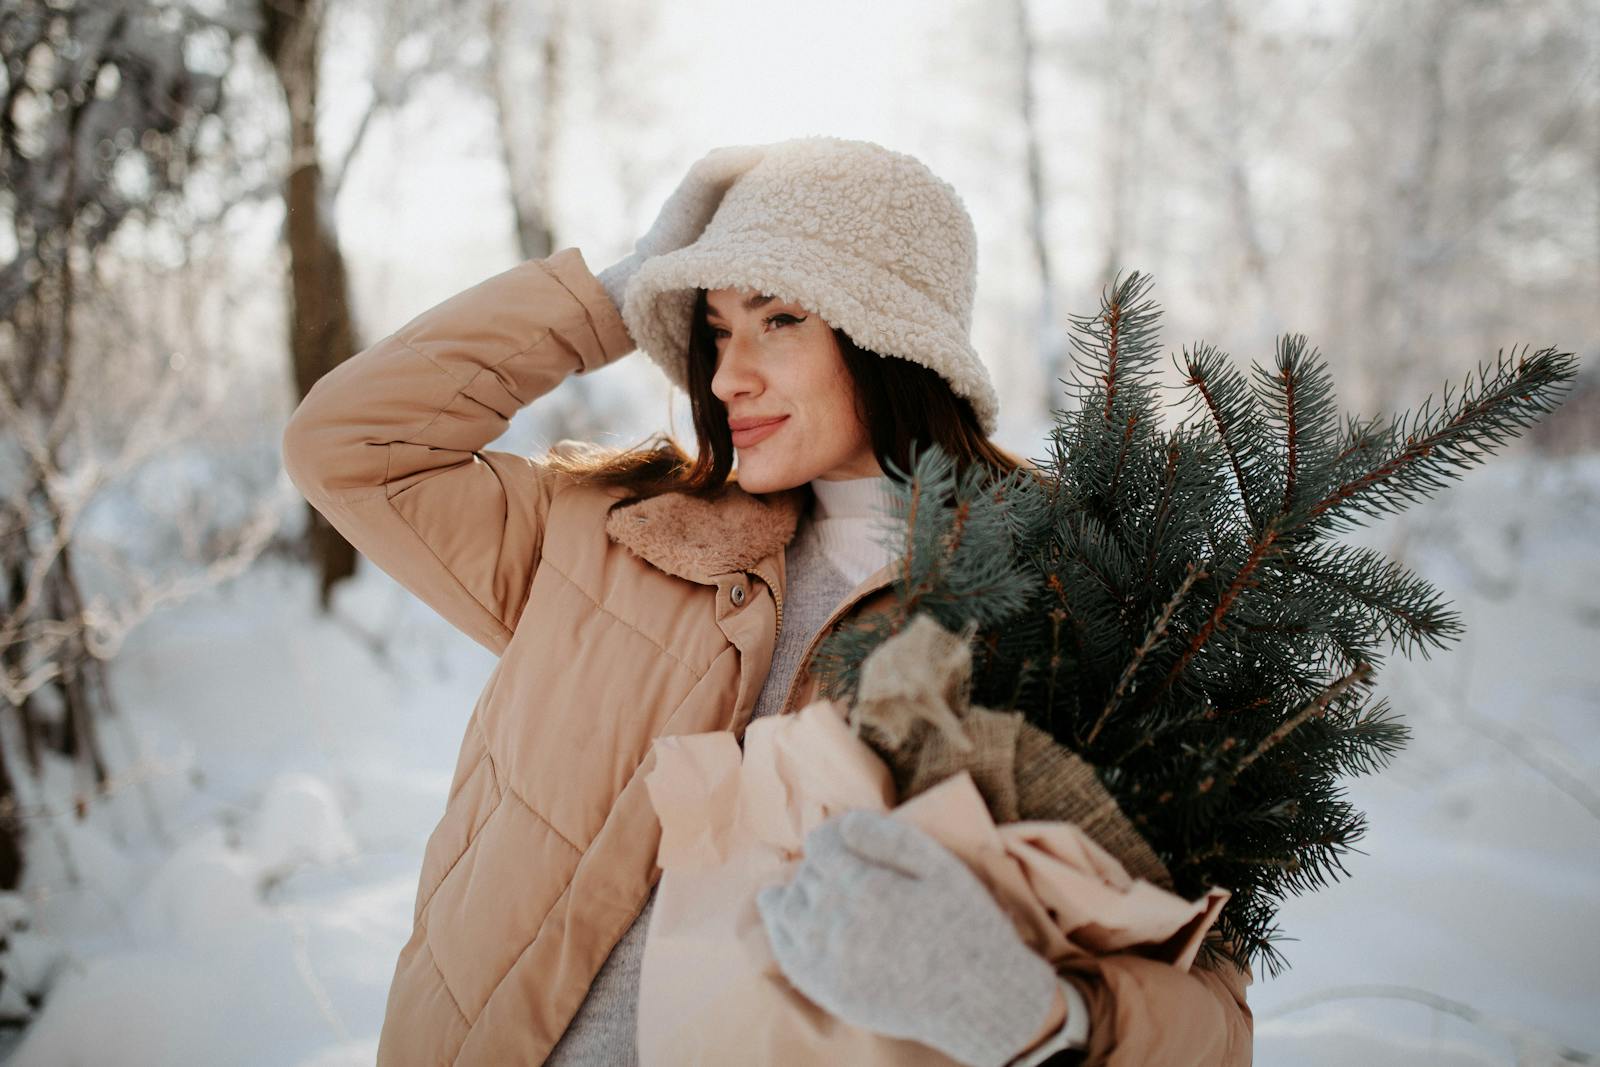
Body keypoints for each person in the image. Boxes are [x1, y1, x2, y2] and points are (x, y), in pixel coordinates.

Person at [280, 136, 1252, 1067]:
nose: (728, 374)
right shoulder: (605, 537)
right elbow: (347, 443)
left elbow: (1214, 1010)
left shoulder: (1064, 602)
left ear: (890, 336)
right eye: (712, 329)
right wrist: (623, 290)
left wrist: (1041, 1012)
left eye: (778, 318)